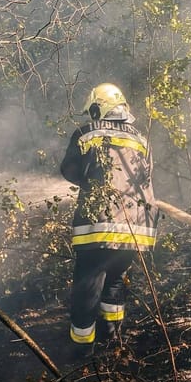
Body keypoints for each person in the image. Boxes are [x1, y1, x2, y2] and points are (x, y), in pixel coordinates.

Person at [60, 82, 158, 347]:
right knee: (114, 281)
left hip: (99, 223)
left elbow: (69, 170)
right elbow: (146, 175)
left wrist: (93, 179)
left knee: (87, 287)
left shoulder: (86, 133)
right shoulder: (141, 139)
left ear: (97, 108)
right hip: (138, 226)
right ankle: (111, 339)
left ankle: (81, 350)